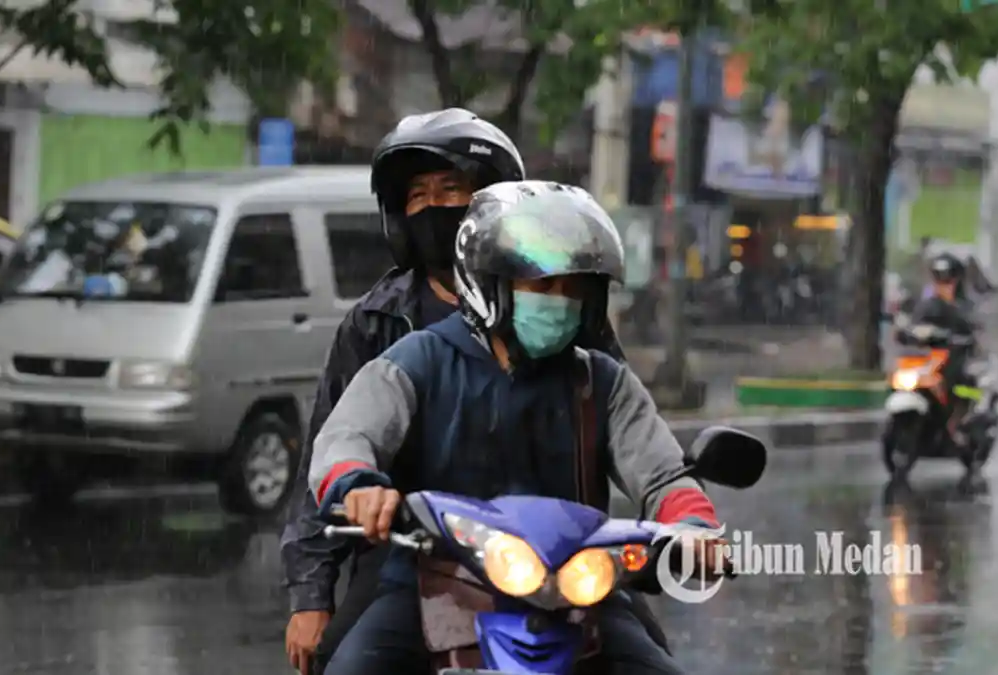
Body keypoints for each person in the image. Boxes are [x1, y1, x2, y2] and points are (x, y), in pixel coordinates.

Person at [308, 182, 730, 675]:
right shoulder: (417, 361)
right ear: (491, 285)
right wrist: (360, 486)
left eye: (575, 289)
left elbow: (663, 476)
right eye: (543, 287)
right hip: (432, 581)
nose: (561, 302)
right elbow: (347, 438)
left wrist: (695, 530)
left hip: (574, 585)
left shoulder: (601, 382)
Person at [279, 110, 634, 675]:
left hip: (556, 559)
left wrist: (678, 519)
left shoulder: (563, 310)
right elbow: (334, 450)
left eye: (451, 188)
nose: (434, 207)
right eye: (417, 196)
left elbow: (627, 431)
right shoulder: (379, 324)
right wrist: (311, 593)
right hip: (412, 562)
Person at [906, 252, 985, 445]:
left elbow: (974, 329)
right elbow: (912, 325)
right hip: (930, 358)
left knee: (963, 383)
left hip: (958, 358)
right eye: (938, 278)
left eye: (948, 279)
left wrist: (962, 338)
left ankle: (957, 422)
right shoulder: (927, 304)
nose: (943, 284)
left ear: (958, 280)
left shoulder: (965, 306)